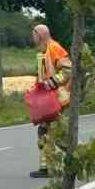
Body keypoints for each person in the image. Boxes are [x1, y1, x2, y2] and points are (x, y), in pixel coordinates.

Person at [30, 25, 72, 178]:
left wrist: (51, 84)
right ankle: (46, 167)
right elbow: (42, 76)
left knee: (56, 134)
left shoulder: (54, 48)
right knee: (45, 131)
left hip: (58, 99)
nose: (31, 37)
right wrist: (36, 91)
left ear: (39, 35)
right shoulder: (43, 51)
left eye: (33, 34)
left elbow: (68, 70)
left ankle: (74, 159)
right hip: (48, 99)